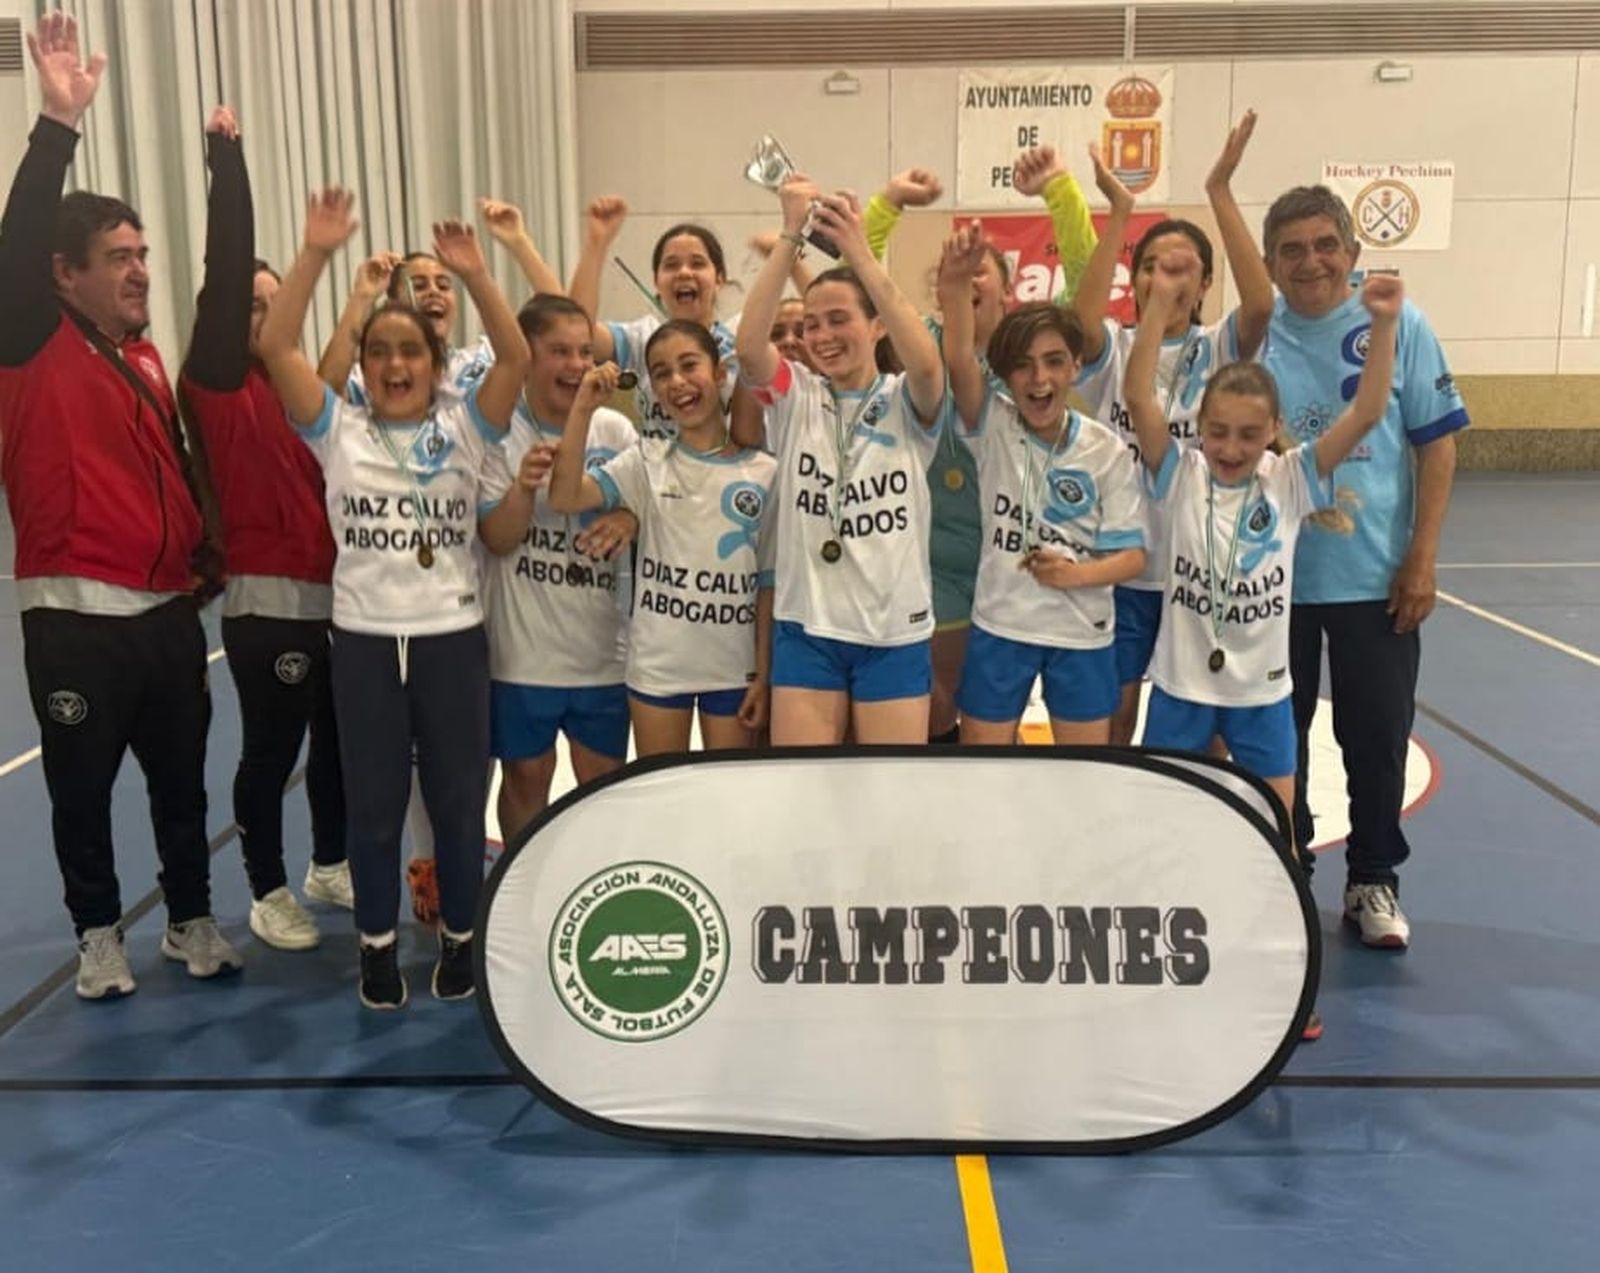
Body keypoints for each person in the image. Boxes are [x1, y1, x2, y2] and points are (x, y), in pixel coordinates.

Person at [0, 15, 241, 999]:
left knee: (183, 786)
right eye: (118, 256)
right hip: (74, 621)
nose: (141, 269)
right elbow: (15, 243)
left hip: (167, 620)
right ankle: (99, 933)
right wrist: (56, 126)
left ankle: (190, 919)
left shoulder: (143, 355)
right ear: (64, 275)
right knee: (81, 793)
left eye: (144, 252)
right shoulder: (28, 342)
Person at [258, 188, 530, 1010]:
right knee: (373, 807)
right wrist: (315, 254)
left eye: (411, 350)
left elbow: (515, 359)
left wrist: (477, 272)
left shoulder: (466, 425)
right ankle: (376, 947)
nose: (395, 364)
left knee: (455, 803)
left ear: (435, 362)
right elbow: (276, 345)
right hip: (368, 645)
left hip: (451, 639)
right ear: (364, 363)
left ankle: (458, 939)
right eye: (379, 351)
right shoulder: (335, 428)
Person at [1125, 251, 1404, 1041]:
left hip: (1261, 698)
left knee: (1274, 843)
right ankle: (1158, 966)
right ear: (1200, 430)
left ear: (1273, 433)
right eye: (1218, 431)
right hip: (1180, 687)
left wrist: (1381, 325)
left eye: (1249, 433)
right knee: (1166, 832)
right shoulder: (1176, 472)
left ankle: (1281, 980)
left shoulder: (1290, 481)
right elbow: (1139, 393)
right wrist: (1156, 304)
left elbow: (1369, 411)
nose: (1231, 446)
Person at [316, 199, 564, 926]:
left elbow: (539, 337)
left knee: (459, 762)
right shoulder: (367, 395)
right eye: (417, 281)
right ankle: (422, 877)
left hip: (466, 579)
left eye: (441, 283)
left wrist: (485, 264)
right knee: (394, 771)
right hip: (391, 587)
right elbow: (323, 383)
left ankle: (460, 886)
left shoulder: (478, 369)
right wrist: (360, 295)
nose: (433, 290)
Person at [1262, 186, 1469, 950]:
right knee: (1275, 740)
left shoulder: (1397, 323)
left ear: (1351, 253)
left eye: (1324, 244)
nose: (1310, 260)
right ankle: (1288, 872)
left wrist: (1422, 555)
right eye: (1291, 248)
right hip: (1272, 581)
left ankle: (1373, 877)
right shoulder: (1254, 332)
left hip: (1373, 576)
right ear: (1270, 264)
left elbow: (1437, 442)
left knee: (1375, 735)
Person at [178, 105, 350, 951]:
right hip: (264, 603)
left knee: (339, 745)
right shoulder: (213, 384)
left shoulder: (304, 395)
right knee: (271, 751)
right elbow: (224, 258)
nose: (259, 318)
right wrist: (228, 159)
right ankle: (268, 888)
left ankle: (328, 862)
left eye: (273, 306)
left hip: (335, 599)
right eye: (247, 303)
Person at [863, 157, 1101, 743]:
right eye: (957, 272)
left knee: (1002, 714)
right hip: (935, 561)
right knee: (946, 715)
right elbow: (860, 281)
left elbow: (1087, 273)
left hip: (1021, 564)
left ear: (1008, 286)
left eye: (980, 273)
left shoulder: (1036, 352)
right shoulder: (921, 346)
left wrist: (1059, 191)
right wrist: (888, 202)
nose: (969, 281)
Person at [1074, 112, 1276, 748]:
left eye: (1184, 267)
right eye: (1153, 265)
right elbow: (1079, 322)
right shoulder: (1114, 343)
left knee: (1202, 729)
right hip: (1126, 570)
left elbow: (1265, 304)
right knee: (1114, 721)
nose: (1167, 277)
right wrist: (1119, 212)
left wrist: (1218, 190)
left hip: (1204, 571)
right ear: (1132, 280)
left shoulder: (1222, 346)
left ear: (1207, 283)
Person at [735, 177, 946, 745]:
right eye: (812, 324)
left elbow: (927, 364)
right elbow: (749, 347)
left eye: (839, 320)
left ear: (877, 325)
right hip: (808, 630)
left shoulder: (906, 400)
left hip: (892, 633)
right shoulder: (796, 395)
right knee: (806, 795)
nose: (822, 335)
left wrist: (857, 251)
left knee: (893, 798)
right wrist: (789, 234)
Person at [937, 228, 1146, 746]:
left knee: (1080, 779)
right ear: (1006, 377)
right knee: (983, 772)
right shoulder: (993, 424)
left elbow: (1132, 557)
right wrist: (957, 286)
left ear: (1076, 366)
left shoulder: (1106, 450)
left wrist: (1076, 576)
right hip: (1001, 627)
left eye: (1054, 361)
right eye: (1024, 366)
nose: (1039, 379)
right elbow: (960, 359)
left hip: (1080, 633)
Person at [547, 323, 777, 755]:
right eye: (661, 373)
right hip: (658, 668)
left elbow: (767, 583)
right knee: (662, 800)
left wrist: (763, 674)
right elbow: (564, 495)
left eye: (689, 365)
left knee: (728, 803)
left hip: (733, 670)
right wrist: (582, 410)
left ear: (721, 373)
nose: (677, 382)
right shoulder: (645, 460)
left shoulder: (764, 473)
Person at [477, 294, 639, 839]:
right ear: (526, 357)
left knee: (604, 785)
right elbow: (497, 538)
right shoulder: (497, 434)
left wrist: (630, 520)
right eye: (559, 351)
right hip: (524, 654)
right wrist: (524, 487)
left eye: (583, 352)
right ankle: (520, 896)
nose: (575, 365)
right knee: (526, 778)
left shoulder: (613, 429)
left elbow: (650, 503)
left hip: (602, 649)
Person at [569, 202, 761, 442]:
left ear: (719, 278)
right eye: (671, 265)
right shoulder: (644, 337)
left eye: (697, 263)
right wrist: (596, 243)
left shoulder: (740, 345)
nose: (683, 272)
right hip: (656, 475)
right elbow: (577, 331)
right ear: (657, 282)